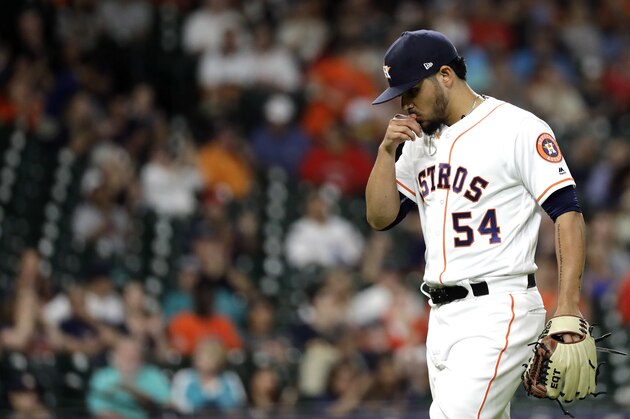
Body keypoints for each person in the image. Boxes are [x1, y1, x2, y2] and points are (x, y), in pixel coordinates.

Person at [365, 30, 586, 418]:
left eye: (412, 91)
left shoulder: (517, 128)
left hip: (499, 309)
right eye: (399, 95)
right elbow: (380, 217)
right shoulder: (417, 142)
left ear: (446, 76)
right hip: (441, 316)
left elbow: (567, 212)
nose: (405, 105)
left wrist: (566, 304)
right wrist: (386, 152)